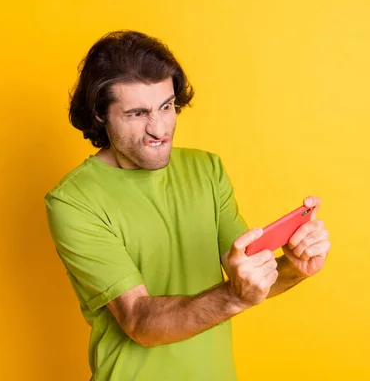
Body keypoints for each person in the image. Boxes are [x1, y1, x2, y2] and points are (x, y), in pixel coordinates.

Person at [44, 30, 331, 381]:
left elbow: (248, 277)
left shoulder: (207, 169)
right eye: (137, 114)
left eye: (166, 106)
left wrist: (294, 266)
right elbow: (138, 321)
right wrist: (235, 297)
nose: (159, 128)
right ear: (101, 114)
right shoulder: (73, 201)